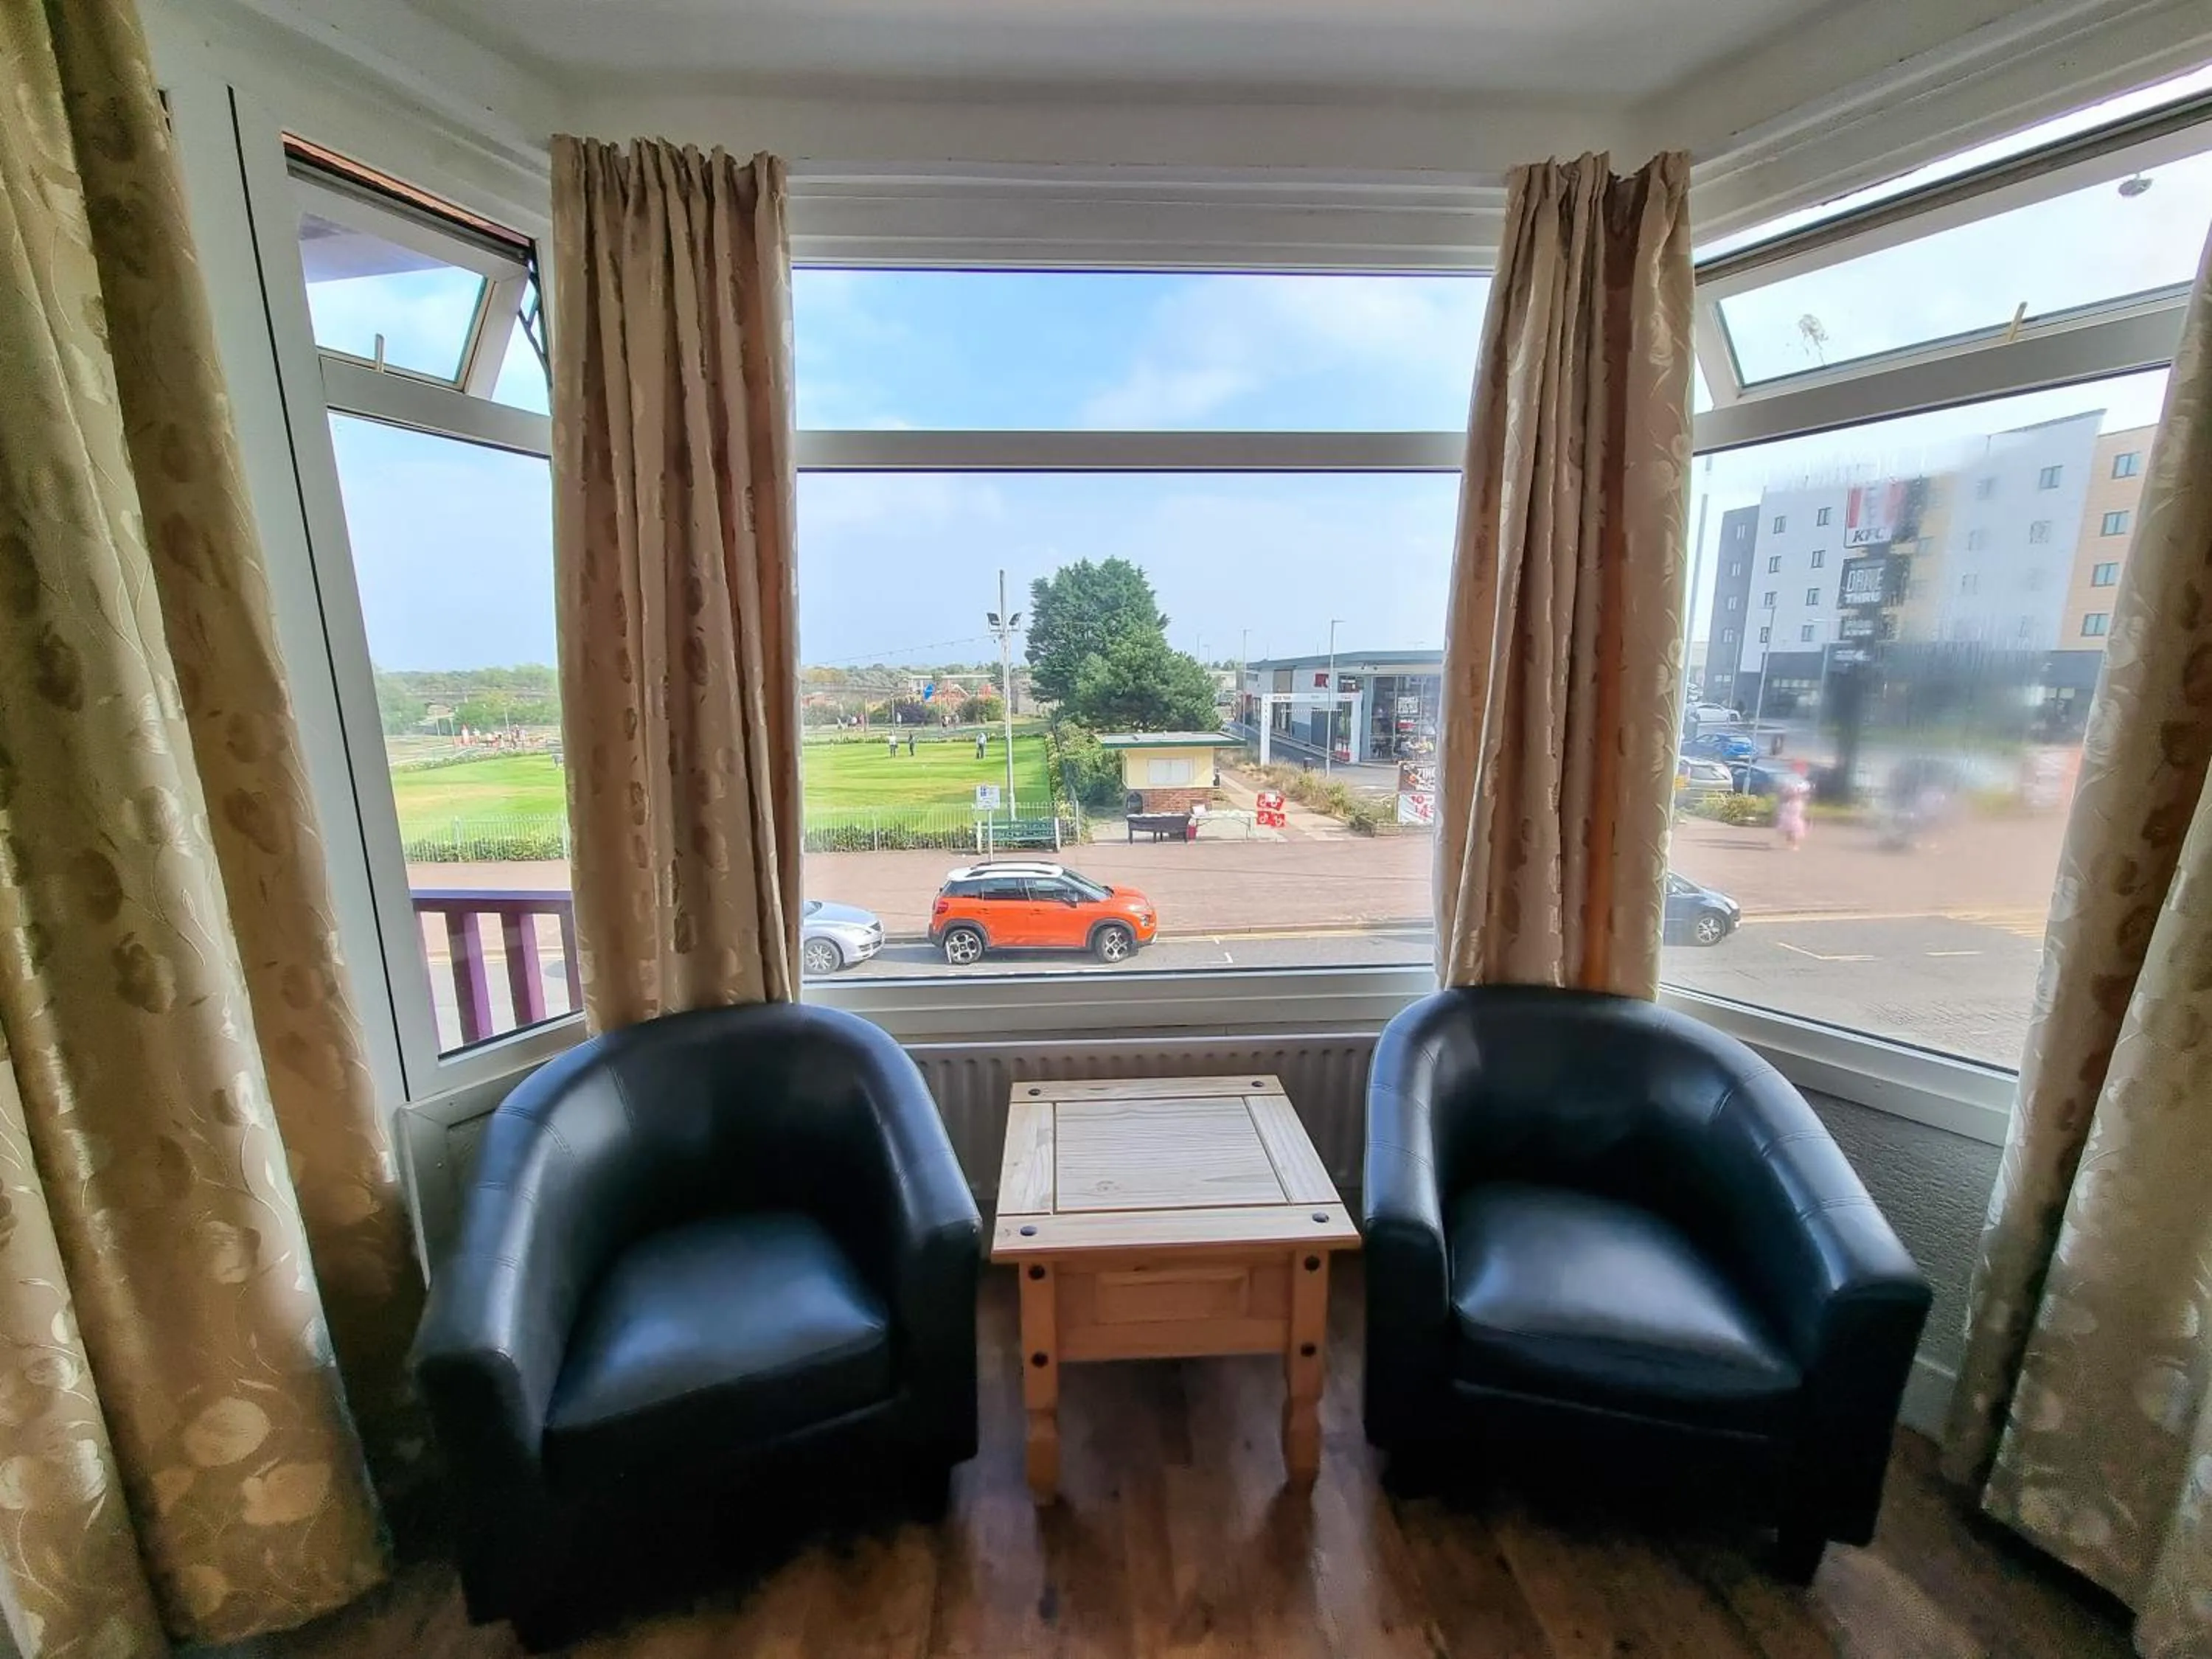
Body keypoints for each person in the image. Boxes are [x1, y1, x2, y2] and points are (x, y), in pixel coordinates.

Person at [1775, 759, 1811, 852]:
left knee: (1794, 823)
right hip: (1788, 804)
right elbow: (1782, 792)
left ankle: (1794, 843)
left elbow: (1804, 794)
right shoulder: (1789, 781)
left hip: (1795, 804)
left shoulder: (1803, 783)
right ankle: (1790, 842)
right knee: (1788, 822)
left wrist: (1796, 795)